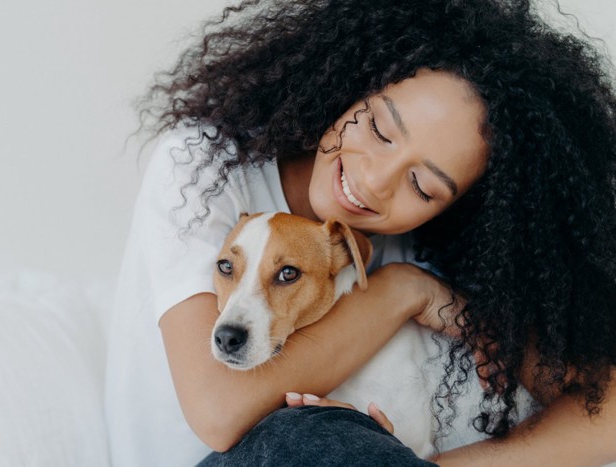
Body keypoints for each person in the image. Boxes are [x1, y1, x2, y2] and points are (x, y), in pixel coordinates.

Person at [104, 0, 616, 465]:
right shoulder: (205, 167)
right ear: (354, 83)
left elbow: (606, 411)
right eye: (379, 129)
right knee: (306, 435)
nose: (373, 180)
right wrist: (402, 289)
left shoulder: (427, 242)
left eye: (421, 184)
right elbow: (219, 413)